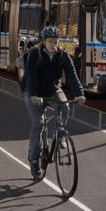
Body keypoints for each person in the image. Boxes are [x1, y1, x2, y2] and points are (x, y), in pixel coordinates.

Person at [24, 25, 83, 180]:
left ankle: (61, 133)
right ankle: (34, 160)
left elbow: (72, 75)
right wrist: (35, 95)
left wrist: (79, 94)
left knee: (65, 104)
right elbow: (30, 76)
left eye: (56, 41)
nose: (53, 45)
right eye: (50, 41)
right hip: (34, 92)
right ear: (44, 41)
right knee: (38, 124)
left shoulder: (63, 55)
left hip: (53, 89)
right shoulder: (34, 54)